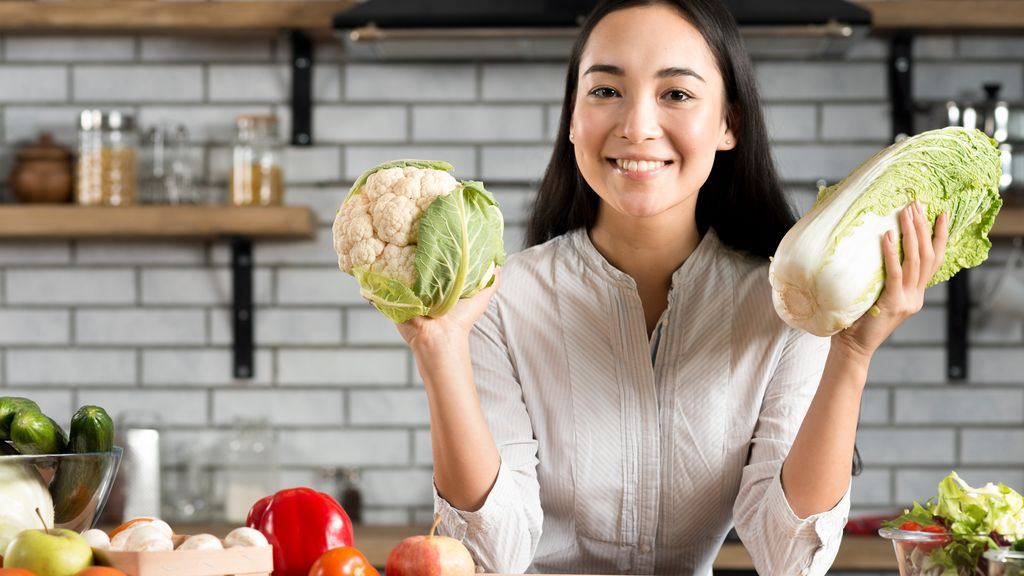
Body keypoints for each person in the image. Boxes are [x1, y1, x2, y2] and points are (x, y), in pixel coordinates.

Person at [396, 0, 949, 574]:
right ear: (572, 120)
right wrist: (440, 351)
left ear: (728, 124)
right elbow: (489, 555)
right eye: (606, 91)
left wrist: (853, 353)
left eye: (676, 94)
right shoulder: (495, 301)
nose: (636, 126)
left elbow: (789, 558)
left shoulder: (787, 305)